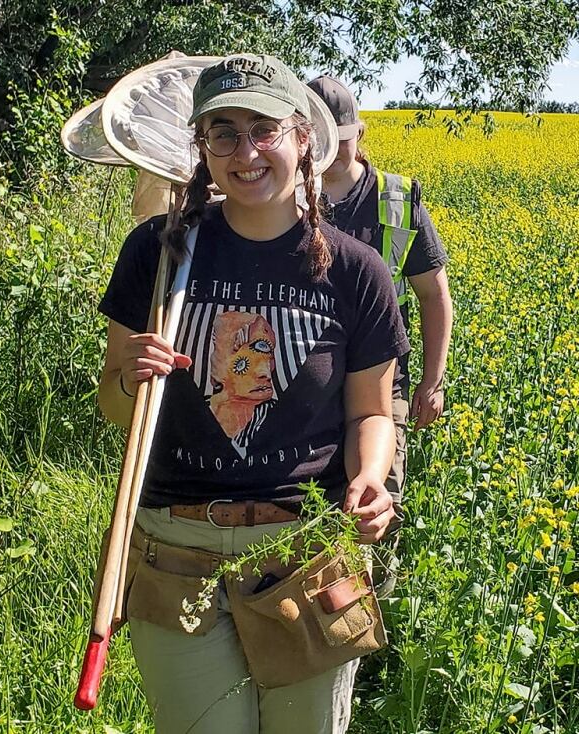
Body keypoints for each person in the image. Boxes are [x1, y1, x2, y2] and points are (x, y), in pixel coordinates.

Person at [96, 54, 410, 734]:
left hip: (310, 553)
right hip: (176, 551)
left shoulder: (358, 271)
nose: (247, 151)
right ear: (202, 148)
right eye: (224, 133)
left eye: (264, 129)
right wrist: (130, 377)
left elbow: (372, 411)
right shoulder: (158, 252)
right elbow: (116, 409)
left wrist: (373, 478)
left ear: (304, 139)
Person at [308, 76, 453, 588]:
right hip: (306, 376)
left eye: (339, 136)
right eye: (317, 136)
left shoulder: (395, 198)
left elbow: (434, 296)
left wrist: (430, 383)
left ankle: (370, 615)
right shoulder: (283, 193)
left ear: (359, 132)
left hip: (380, 378)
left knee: (375, 502)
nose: (329, 150)